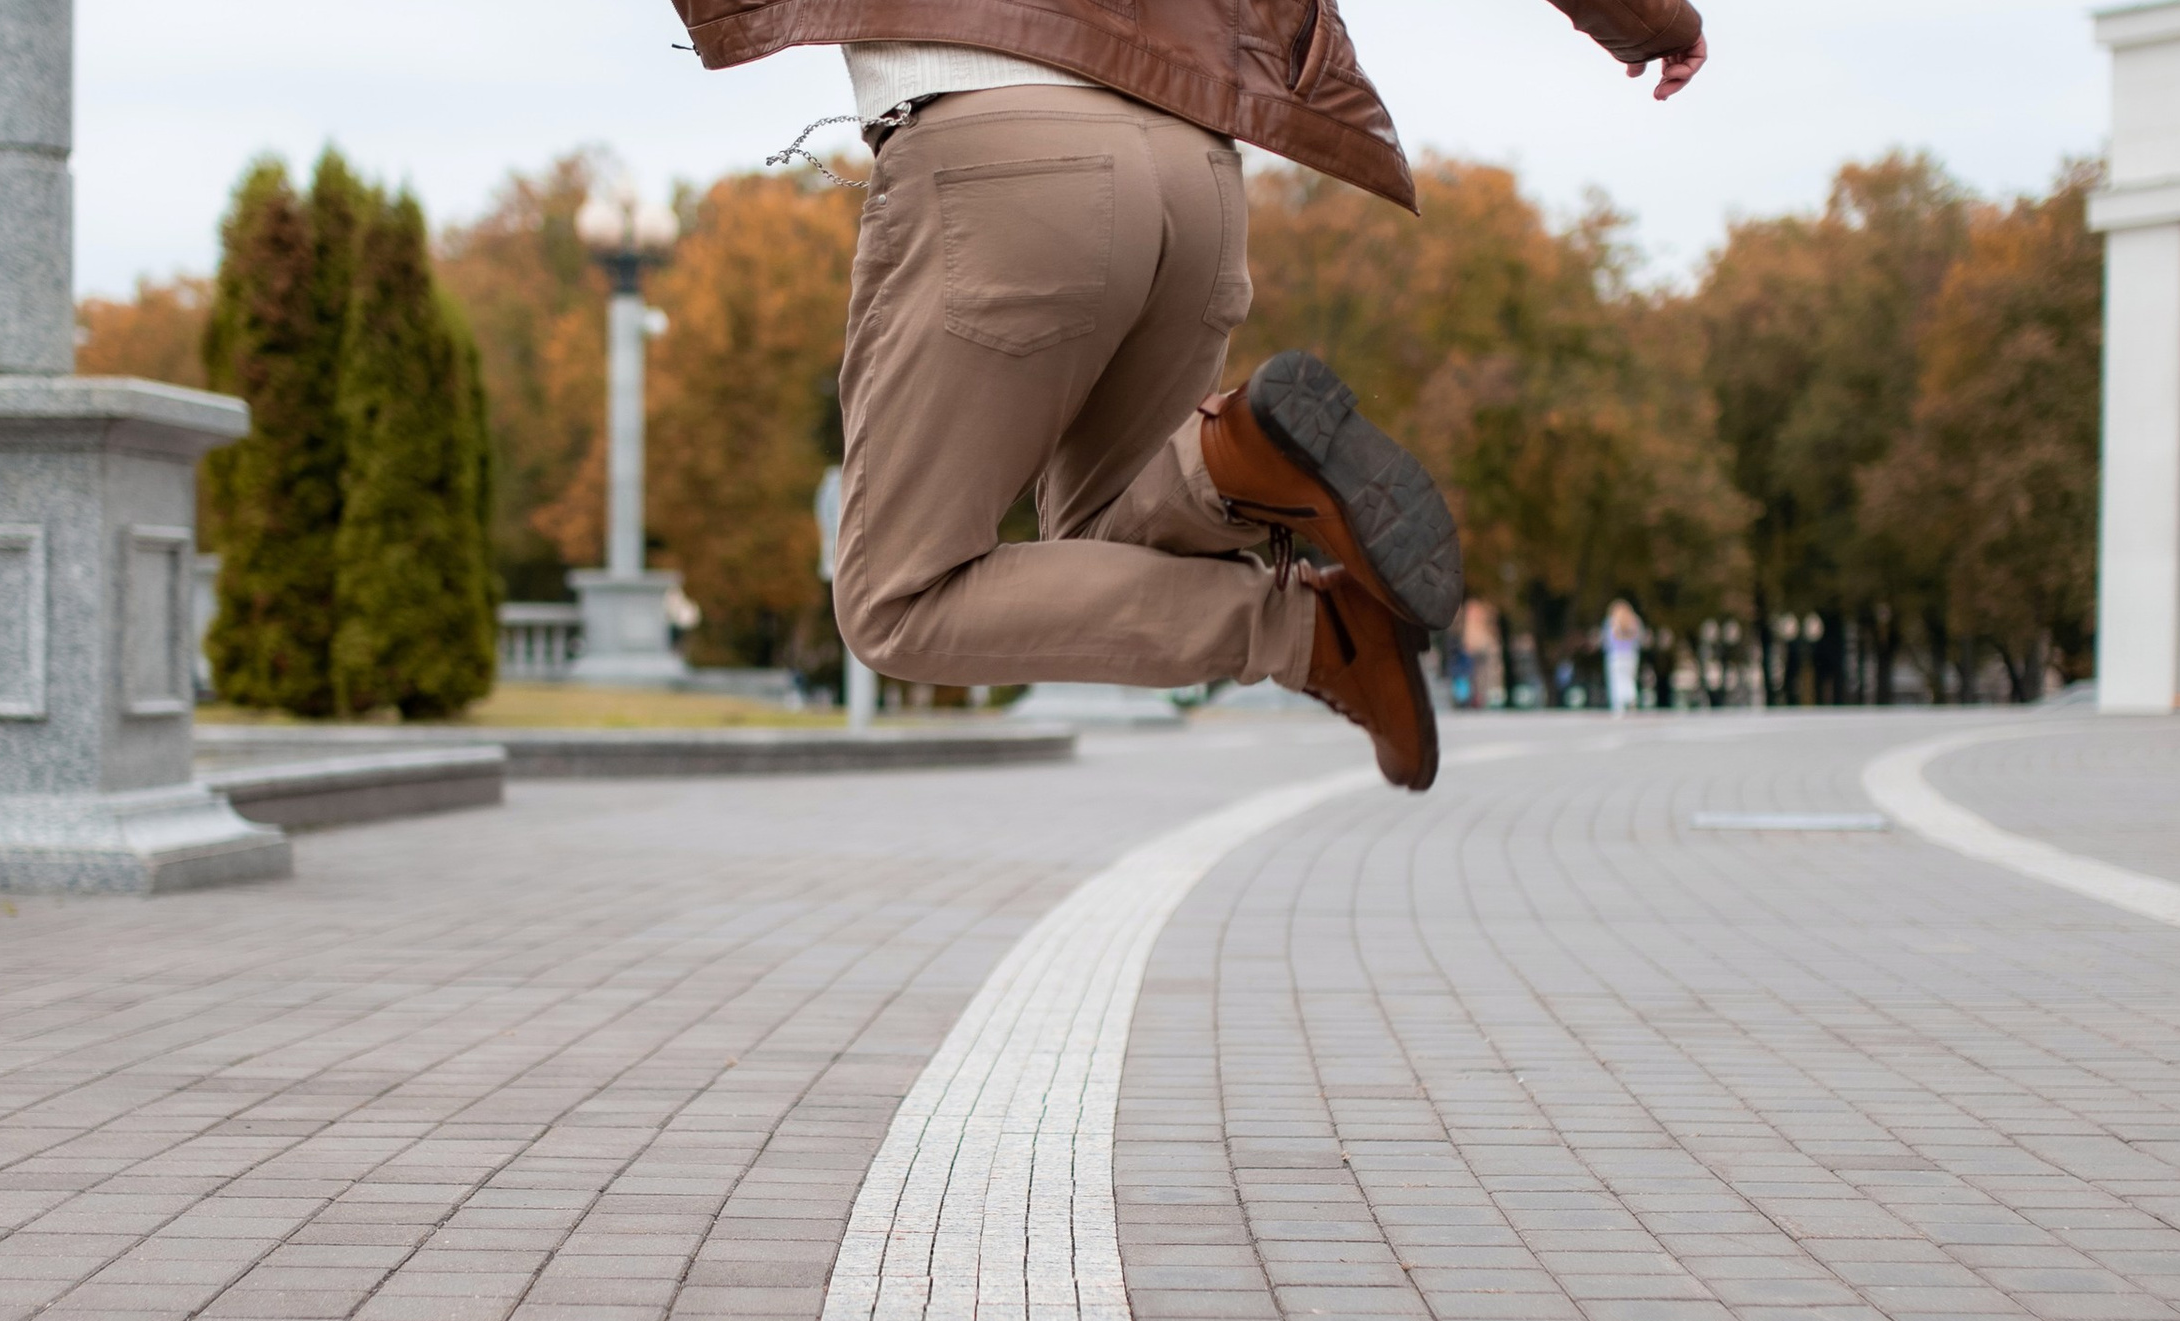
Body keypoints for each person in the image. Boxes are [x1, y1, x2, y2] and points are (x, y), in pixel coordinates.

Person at [671, 0, 1710, 790]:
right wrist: (1648, 19)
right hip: (1197, 169)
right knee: (1101, 542)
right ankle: (1224, 467)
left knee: (899, 600)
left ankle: (1306, 634)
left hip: (996, 149)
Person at [1604, 600, 1646, 715]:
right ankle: (1631, 696)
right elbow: (1640, 639)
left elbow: (1607, 641)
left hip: (1616, 655)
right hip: (1631, 655)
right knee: (1629, 678)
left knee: (1617, 679)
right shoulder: (1634, 621)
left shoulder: (1611, 621)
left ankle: (1619, 704)